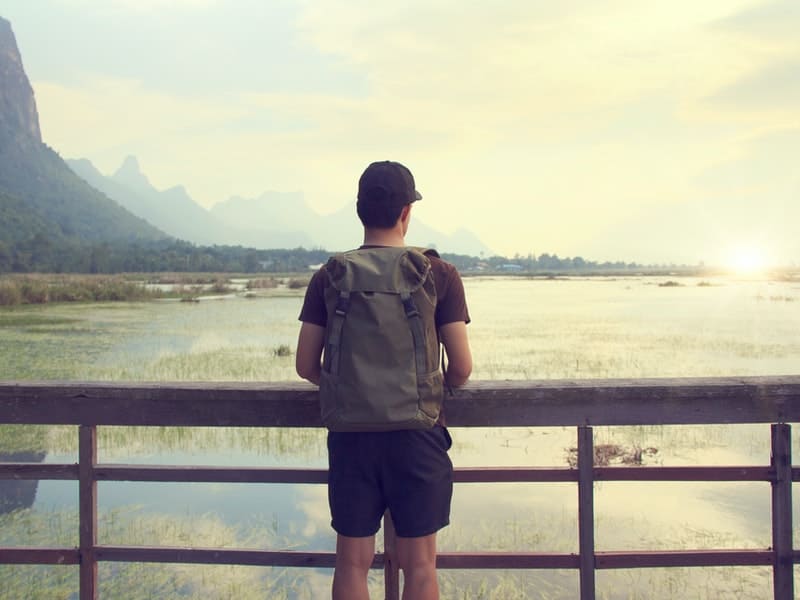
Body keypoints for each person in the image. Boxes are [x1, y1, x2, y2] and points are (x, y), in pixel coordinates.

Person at [295, 160, 472, 600]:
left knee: (352, 564)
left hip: (352, 435)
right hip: (417, 434)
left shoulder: (331, 275)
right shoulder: (439, 274)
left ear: (360, 211)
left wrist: (350, 389)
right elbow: (463, 368)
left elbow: (305, 364)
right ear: (406, 212)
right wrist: (425, 390)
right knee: (420, 568)